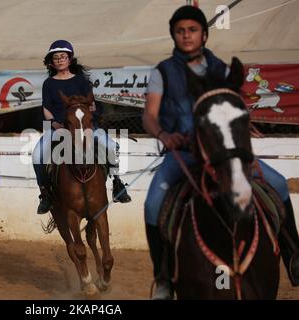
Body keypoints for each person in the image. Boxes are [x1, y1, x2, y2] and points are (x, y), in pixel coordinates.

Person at [142, 5, 299, 299]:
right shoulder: (162, 72)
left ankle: (294, 256)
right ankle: (163, 279)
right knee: (153, 204)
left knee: (277, 185)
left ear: (204, 34)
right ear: (174, 35)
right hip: (184, 153)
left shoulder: (223, 69)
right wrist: (163, 134)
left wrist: (242, 125)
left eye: (192, 30)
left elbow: (236, 106)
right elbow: (149, 115)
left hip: (226, 152)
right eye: (180, 31)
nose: (186, 35)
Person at [32, 40, 132, 215]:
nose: (60, 60)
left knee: (111, 146)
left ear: (70, 59)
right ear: (51, 62)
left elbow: (91, 104)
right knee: (37, 154)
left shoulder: (82, 81)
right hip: (60, 128)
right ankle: (45, 193)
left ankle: (117, 183)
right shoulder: (49, 84)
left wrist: (91, 108)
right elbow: (46, 109)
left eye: (63, 56)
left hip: (86, 127)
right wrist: (54, 123)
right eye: (56, 57)